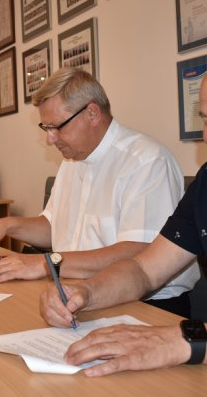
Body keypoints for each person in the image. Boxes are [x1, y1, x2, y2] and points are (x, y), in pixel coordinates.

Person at [0, 67, 200, 317]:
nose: (50, 139)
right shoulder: (71, 161)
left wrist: (46, 264)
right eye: (46, 128)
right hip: (77, 292)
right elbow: (53, 226)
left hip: (146, 305)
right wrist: (5, 226)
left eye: (57, 127)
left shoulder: (146, 161)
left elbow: (138, 253)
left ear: (92, 113)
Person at [39, 72, 207, 375]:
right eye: (206, 120)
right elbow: (144, 269)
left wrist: (183, 340)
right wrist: (86, 293)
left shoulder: (147, 158)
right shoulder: (205, 184)